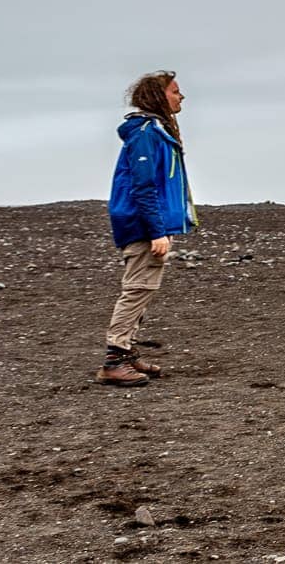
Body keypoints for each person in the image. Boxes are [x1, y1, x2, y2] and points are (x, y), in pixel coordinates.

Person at [97, 70, 198, 386]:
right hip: (141, 224)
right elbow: (144, 186)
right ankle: (114, 359)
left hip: (146, 223)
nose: (181, 97)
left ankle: (126, 353)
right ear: (158, 96)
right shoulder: (146, 133)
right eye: (175, 91)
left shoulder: (154, 131)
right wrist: (156, 230)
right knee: (139, 288)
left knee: (143, 287)